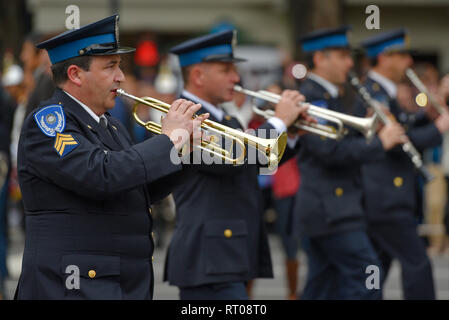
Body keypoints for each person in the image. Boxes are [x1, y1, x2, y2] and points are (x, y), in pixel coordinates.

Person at [15, 14, 208, 300]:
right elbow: (101, 175)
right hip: (72, 284)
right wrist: (169, 140)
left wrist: (188, 153)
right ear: (75, 74)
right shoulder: (48, 122)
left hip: (116, 281)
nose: (121, 77)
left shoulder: (111, 124)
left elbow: (138, 187)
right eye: (111, 67)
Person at [163, 29, 310, 300]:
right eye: (226, 70)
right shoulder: (184, 117)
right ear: (198, 75)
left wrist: (292, 134)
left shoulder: (225, 118)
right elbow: (229, 160)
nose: (236, 78)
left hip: (229, 250)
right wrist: (278, 121)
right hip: (210, 255)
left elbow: (257, 161)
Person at [290, 26, 407, 300]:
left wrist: (373, 125)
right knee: (368, 275)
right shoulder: (313, 97)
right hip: (331, 208)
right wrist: (381, 142)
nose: (349, 63)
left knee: (323, 285)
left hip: (332, 207)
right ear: (320, 58)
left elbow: (342, 139)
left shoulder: (334, 95)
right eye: (342, 56)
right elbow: (328, 151)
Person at [360, 28, 449, 299]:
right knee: (417, 264)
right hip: (385, 197)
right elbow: (398, 142)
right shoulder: (371, 93)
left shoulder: (382, 91)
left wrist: (438, 109)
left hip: (388, 195)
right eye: (402, 56)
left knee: (376, 269)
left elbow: (406, 125)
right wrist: (440, 127)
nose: (409, 62)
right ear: (385, 58)